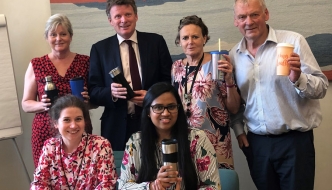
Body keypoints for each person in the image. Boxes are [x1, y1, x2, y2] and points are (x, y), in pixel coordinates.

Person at [229, 0, 329, 189]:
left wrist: (298, 78)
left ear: (266, 14)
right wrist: (239, 131)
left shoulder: (293, 42)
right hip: (257, 144)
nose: (248, 21)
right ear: (236, 21)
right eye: (242, 17)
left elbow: (322, 87)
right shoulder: (234, 54)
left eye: (254, 14)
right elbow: (237, 101)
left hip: (295, 143)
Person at [88, 0, 173, 151]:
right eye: (118, 16)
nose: (123, 20)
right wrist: (111, 93)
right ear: (110, 21)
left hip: (154, 121)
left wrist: (152, 97)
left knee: (157, 169)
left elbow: (169, 81)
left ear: (136, 16)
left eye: (128, 14)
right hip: (116, 127)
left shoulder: (156, 42)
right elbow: (93, 91)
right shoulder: (99, 49)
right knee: (120, 172)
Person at [118, 82, 221, 190]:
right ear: (148, 111)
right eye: (158, 107)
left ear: (178, 108)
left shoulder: (198, 139)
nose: (166, 113)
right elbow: (123, 187)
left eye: (171, 107)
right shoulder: (135, 142)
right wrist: (152, 187)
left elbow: (213, 186)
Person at [21, 13, 92, 167]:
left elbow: (94, 102)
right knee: (48, 177)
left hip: (77, 129)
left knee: (83, 173)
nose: (58, 38)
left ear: (71, 36)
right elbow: (26, 104)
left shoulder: (85, 62)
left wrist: (88, 99)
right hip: (45, 131)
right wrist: (43, 105)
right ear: (47, 37)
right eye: (53, 34)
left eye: (63, 34)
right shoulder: (36, 64)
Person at [172, 15, 240, 169]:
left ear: (204, 38)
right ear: (179, 41)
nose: (190, 41)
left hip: (216, 141)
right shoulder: (175, 68)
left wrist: (229, 79)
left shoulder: (218, 62)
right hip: (184, 142)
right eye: (185, 38)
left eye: (195, 36)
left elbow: (234, 108)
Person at [30, 95, 117, 189]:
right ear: (56, 123)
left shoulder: (101, 145)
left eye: (78, 119)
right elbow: (39, 183)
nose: (73, 126)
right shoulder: (50, 146)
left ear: (85, 121)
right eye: (66, 120)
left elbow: (107, 184)